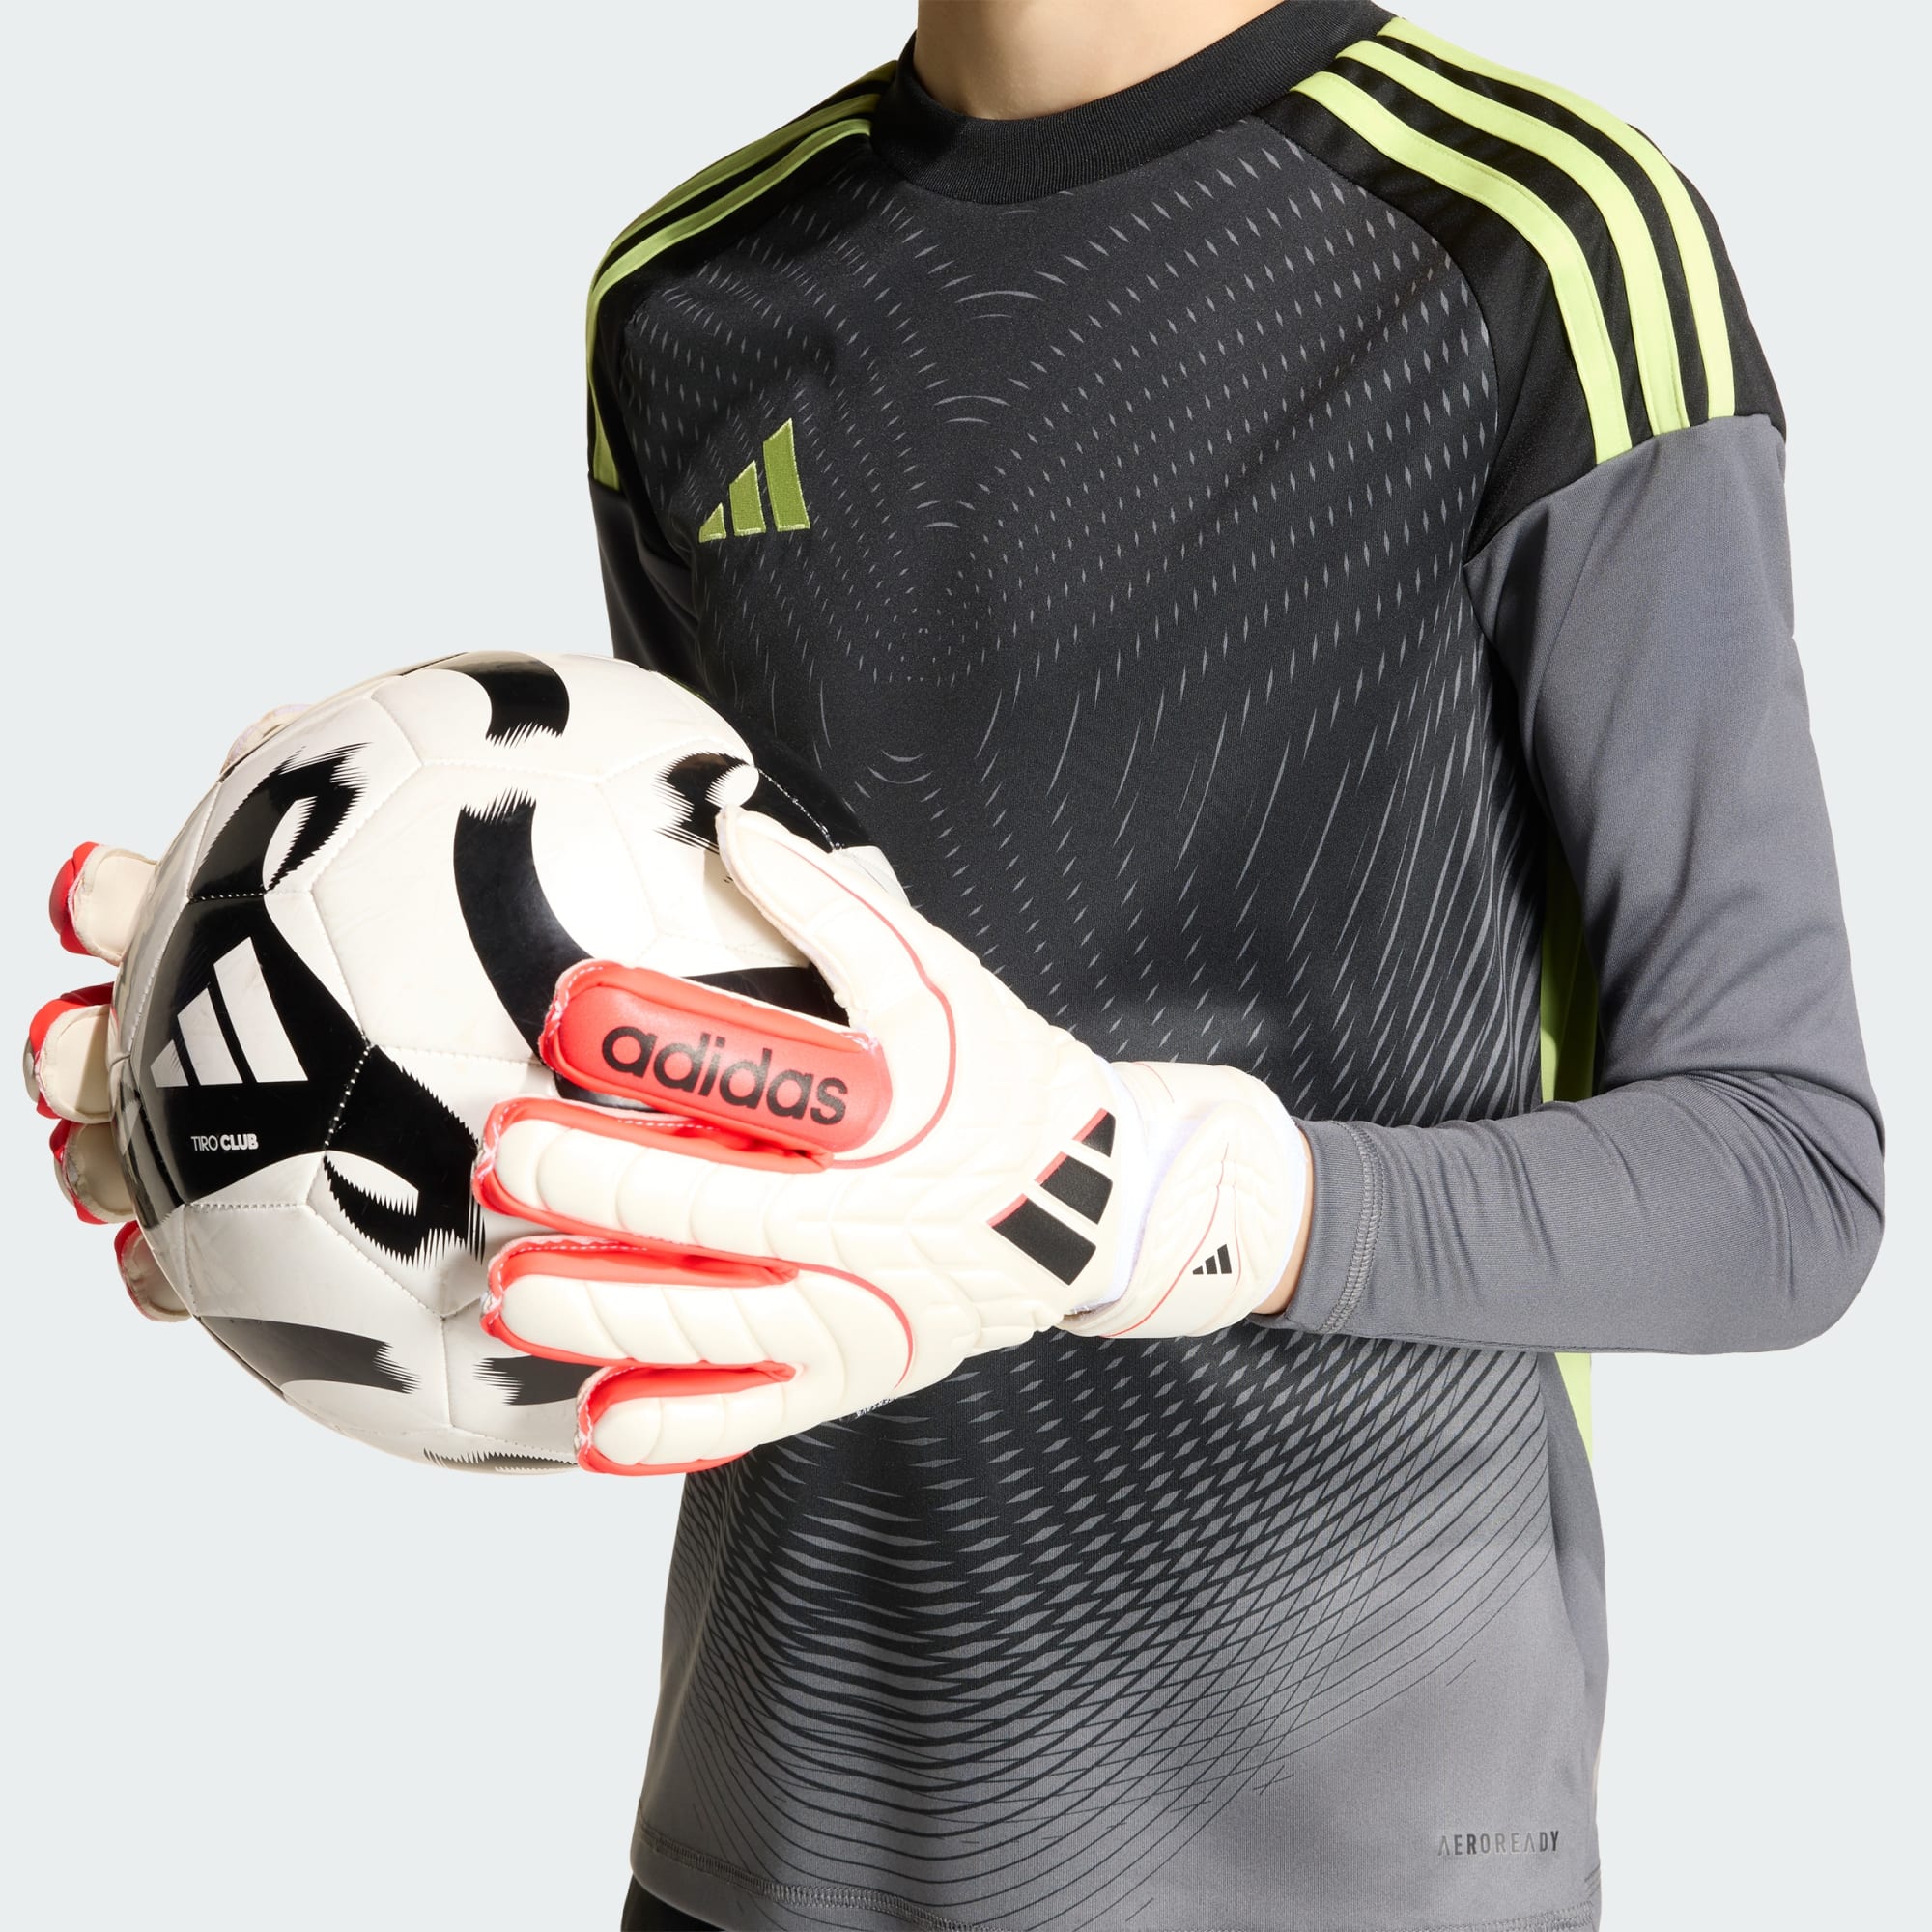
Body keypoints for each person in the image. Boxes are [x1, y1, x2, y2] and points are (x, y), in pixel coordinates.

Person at [30, 3, 1883, 1928]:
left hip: (1339, 1863)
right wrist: (305, 1081)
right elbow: (743, 1063)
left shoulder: (1535, 245)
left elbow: (1783, 1177)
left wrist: (1149, 1202)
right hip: (766, 1841)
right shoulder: (685, 300)